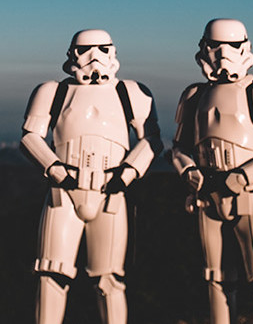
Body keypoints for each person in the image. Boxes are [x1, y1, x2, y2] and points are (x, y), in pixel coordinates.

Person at [20, 29, 162, 324]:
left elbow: (151, 140)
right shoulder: (52, 91)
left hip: (110, 192)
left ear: (112, 52)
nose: (94, 58)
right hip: (64, 192)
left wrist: (128, 172)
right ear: (72, 54)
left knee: (109, 279)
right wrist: (55, 169)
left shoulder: (131, 92)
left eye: (101, 50)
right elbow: (30, 137)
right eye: (85, 50)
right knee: (51, 274)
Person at [170, 19, 253, 324]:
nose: (222, 54)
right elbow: (178, 148)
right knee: (216, 280)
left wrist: (243, 177)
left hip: (249, 196)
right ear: (204, 49)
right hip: (207, 198)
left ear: (245, 48)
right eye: (214, 46)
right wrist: (189, 171)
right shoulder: (194, 95)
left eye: (231, 46)